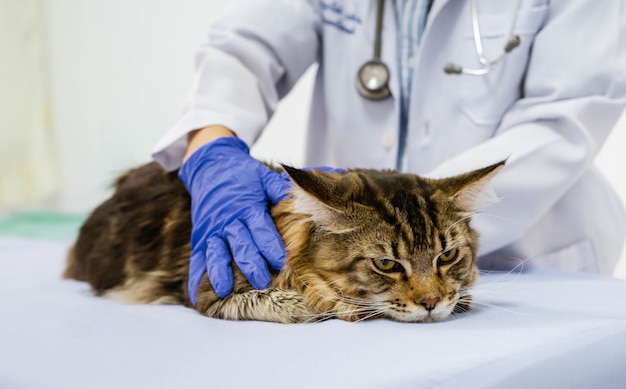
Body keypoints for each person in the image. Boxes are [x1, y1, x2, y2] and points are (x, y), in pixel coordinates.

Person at [152, 0, 626, 303]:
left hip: (528, 253)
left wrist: (420, 217)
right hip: (360, 272)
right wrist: (212, 147)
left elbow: (565, 115)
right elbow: (243, 47)